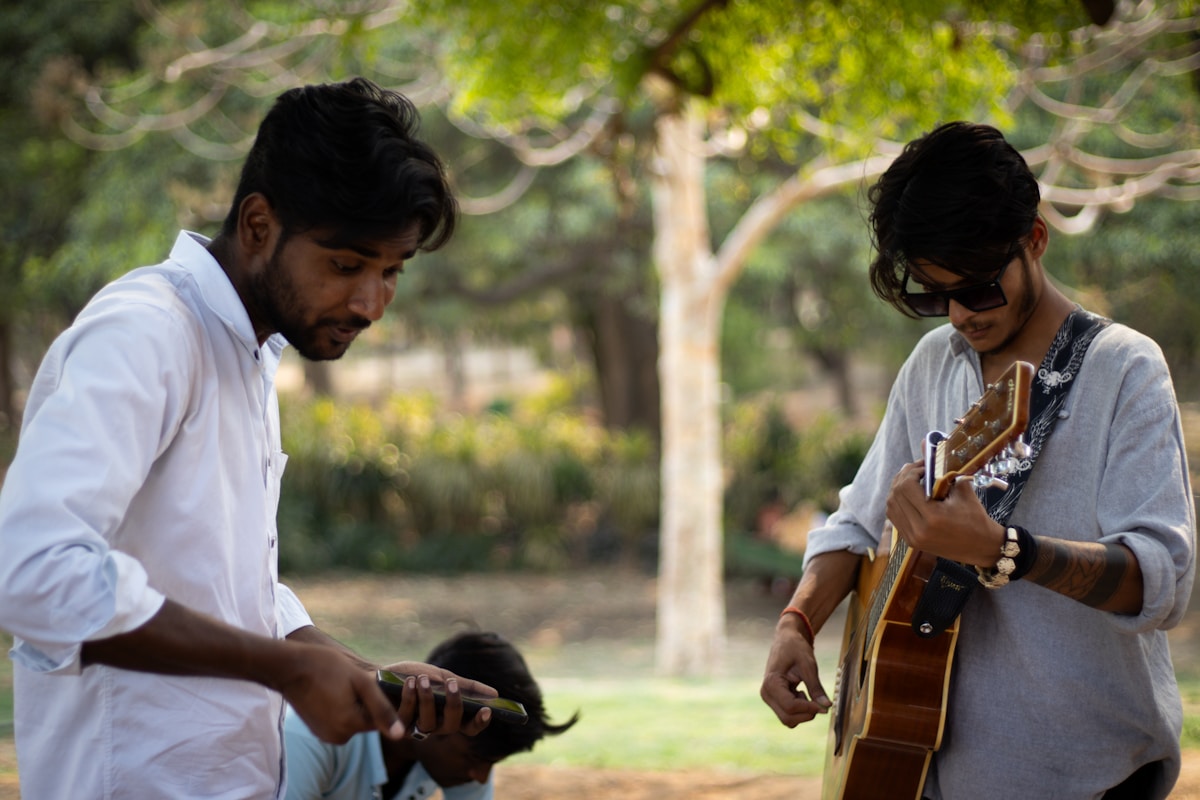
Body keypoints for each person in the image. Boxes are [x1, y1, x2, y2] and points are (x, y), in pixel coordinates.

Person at [0, 77, 497, 799]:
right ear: (259, 225)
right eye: (347, 264)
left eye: (392, 271)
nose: (371, 303)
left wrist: (360, 673)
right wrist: (286, 669)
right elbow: (33, 569)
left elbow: (219, 583)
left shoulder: (250, 354)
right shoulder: (146, 332)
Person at [759, 121, 1195, 799]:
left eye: (980, 288)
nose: (960, 314)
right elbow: (856, 525)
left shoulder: (1125, 369)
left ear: (1035, 240)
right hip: (928, 769)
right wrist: (798, 622)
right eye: (934, 295)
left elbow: (1162, 582)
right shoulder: (934, 362)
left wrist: (1002, 549)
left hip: (1090, 775)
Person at [284, 630, 579, 800]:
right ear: (438, 711)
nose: (479, 777)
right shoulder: (308, 738)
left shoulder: (462, 759)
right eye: (475, 759)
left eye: (489, 764)